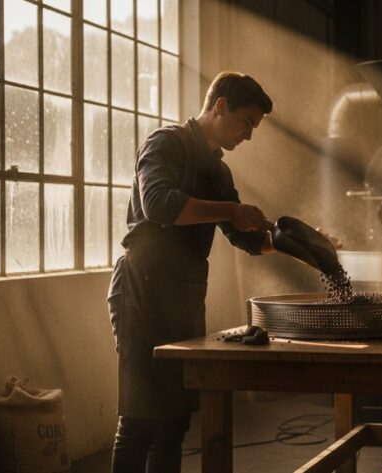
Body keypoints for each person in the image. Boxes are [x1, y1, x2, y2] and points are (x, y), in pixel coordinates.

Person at [107, 71, 276, 472]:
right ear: (220, 106)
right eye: (246, 123)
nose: (248, 136)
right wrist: (231, 210)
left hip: (184, 296)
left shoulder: (219, 172)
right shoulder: (166, 144)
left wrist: (300, 244)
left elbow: (245, 238)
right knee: (139, 421)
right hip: (142, 291)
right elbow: (159, 205)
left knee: (174, 423)